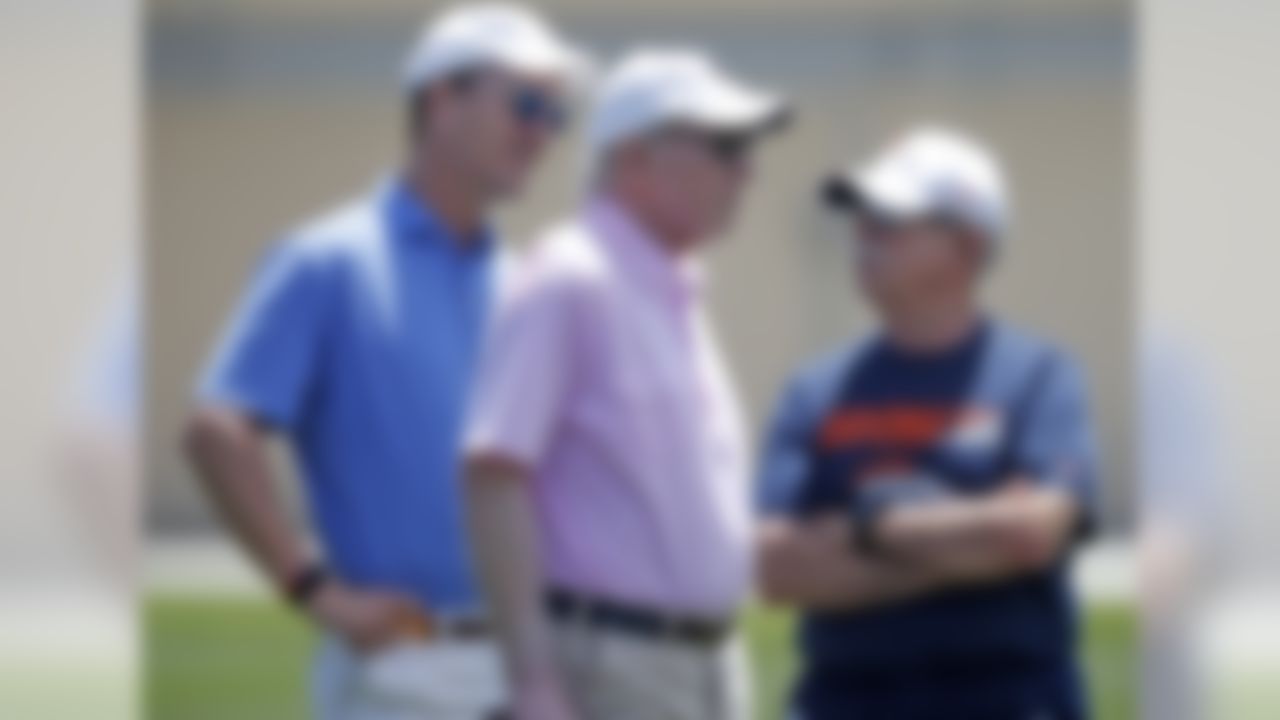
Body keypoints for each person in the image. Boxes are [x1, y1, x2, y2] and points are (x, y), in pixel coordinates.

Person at [182, 5, 587, 718]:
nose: (541, 131)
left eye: (555, 112)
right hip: (403, 670)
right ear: (440, 100)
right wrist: (315, 591)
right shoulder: (329, 260)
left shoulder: (519, 277)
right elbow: (217, 431)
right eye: (525, 102)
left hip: (526, 667)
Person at [463, 49, 788, 720]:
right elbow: (492, 473)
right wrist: (533, 680)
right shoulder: (572, 277)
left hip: (699, 661)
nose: (747, 170)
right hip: (612, 663)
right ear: (637, 162)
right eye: (726, 145)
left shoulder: (668, 285)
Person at [757, 128, 1101, 720]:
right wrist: (970, 548)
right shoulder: (815, 390)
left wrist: (864, 527)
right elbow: (775, 567)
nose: (863, 233)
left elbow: (1029, 533)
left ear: (967, 247)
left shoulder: (1040, 377)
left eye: (891, 217)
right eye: (861, 215)